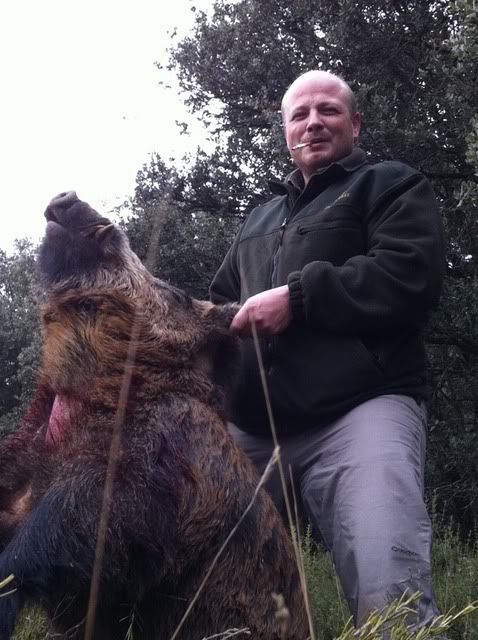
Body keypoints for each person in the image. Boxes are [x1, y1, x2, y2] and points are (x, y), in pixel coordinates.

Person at [210, 70, 445, 631]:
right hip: (254, 425)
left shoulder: (390, 184)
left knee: (390, 582)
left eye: (329, 111)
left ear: (355, 123)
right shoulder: (260, 219)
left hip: (362, 408)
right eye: (300, 114)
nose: (313, 122)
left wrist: (299, 297)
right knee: (215, 580)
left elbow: (409, 274)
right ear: (285, 132)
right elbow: (220, 305)